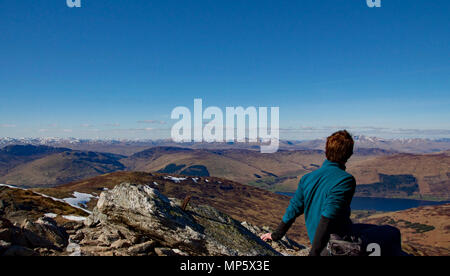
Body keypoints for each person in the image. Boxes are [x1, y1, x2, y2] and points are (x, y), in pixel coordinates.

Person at [260, 130, 403, 256]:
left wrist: (275, 235)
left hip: (328, 239)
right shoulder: (345, 180)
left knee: (371, 228)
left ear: (326, 150)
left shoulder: (307, 178)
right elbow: (327, 217)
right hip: (336, 246)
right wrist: (314, 253)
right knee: (392, 233)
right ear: (349, 154)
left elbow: (293, 209)